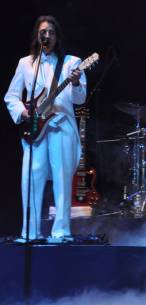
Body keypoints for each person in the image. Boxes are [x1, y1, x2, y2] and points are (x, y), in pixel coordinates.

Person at [4, 15, 86, 243]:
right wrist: (24, 112)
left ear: (57, 36)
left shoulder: (72, 62)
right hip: (34, 128)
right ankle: (29, 232)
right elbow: (11, 96)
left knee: (61, 179)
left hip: (61, 127)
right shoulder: (25, 63)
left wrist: (77, 82)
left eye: (51, 32)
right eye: (43, 32)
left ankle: (60, 232)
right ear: (37, 36)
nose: (47, 36)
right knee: (30, 178)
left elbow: (80, 99)